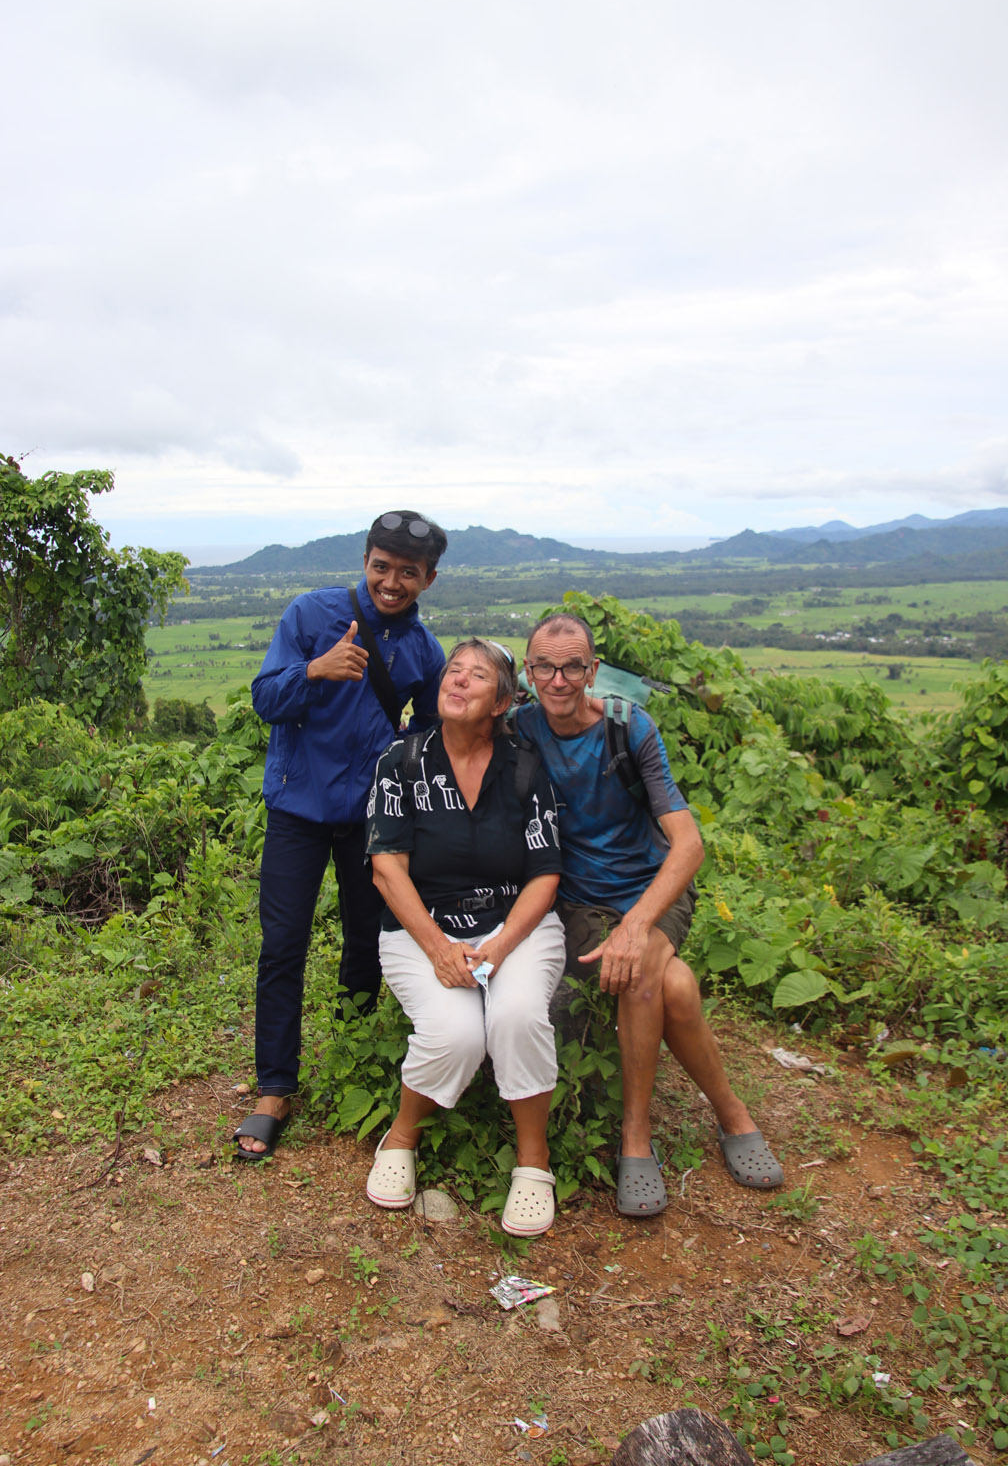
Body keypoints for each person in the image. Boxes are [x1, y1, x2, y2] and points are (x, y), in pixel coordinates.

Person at [513, 612, 783, 1215]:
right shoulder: (520, 728)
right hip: (581, 901)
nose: (558, 680)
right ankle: (728, 1114)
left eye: (572, 667)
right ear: (528, 672)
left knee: (638, 973)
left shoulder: (627, 726)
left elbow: (688, 845)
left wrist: (637, 925)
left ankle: (636, 1136)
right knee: (674, 985)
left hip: (655, 890)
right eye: (544, 667)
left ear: (593, 671)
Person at [233, 510, 448, 1161]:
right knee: (283, 945)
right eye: (381, 567)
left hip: (371, 817)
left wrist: (403, 746)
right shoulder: (311, 614)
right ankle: (275, 1088)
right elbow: (264, 699)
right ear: (365, 562)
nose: (391, 582)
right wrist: (315, 670)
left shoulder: (423, 650)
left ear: (428, 579)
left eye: (407, 572)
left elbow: (432, 731)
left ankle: (349, 1055)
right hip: (297, 810)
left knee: (365, 944)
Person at [365, 639, 567, 1237]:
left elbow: (545, 873)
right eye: (453, 670)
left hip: (515, 925)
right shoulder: (402, 763)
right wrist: (438, 948)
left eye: (477, 676)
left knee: (518, 1015)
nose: (458, 680)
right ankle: (401, 1137)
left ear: (502, 701)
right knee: (455, 1034)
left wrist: (500, 946)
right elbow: (386, 868)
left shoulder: (524, 766)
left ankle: (533, 1162)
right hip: (422, 927)